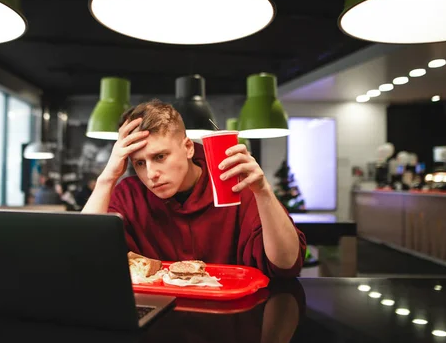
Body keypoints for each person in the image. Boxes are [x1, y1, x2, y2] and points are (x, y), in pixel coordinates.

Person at [82, 100, 306, 278]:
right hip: (157, 322)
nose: (151, 174)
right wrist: (107, 178)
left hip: (232, 320)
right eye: (140, 163)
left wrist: (263, 191)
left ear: (188, 147)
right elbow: (85, 258)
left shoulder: (233, 183)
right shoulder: (129, 194)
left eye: (160, 156)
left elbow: (287, 265)